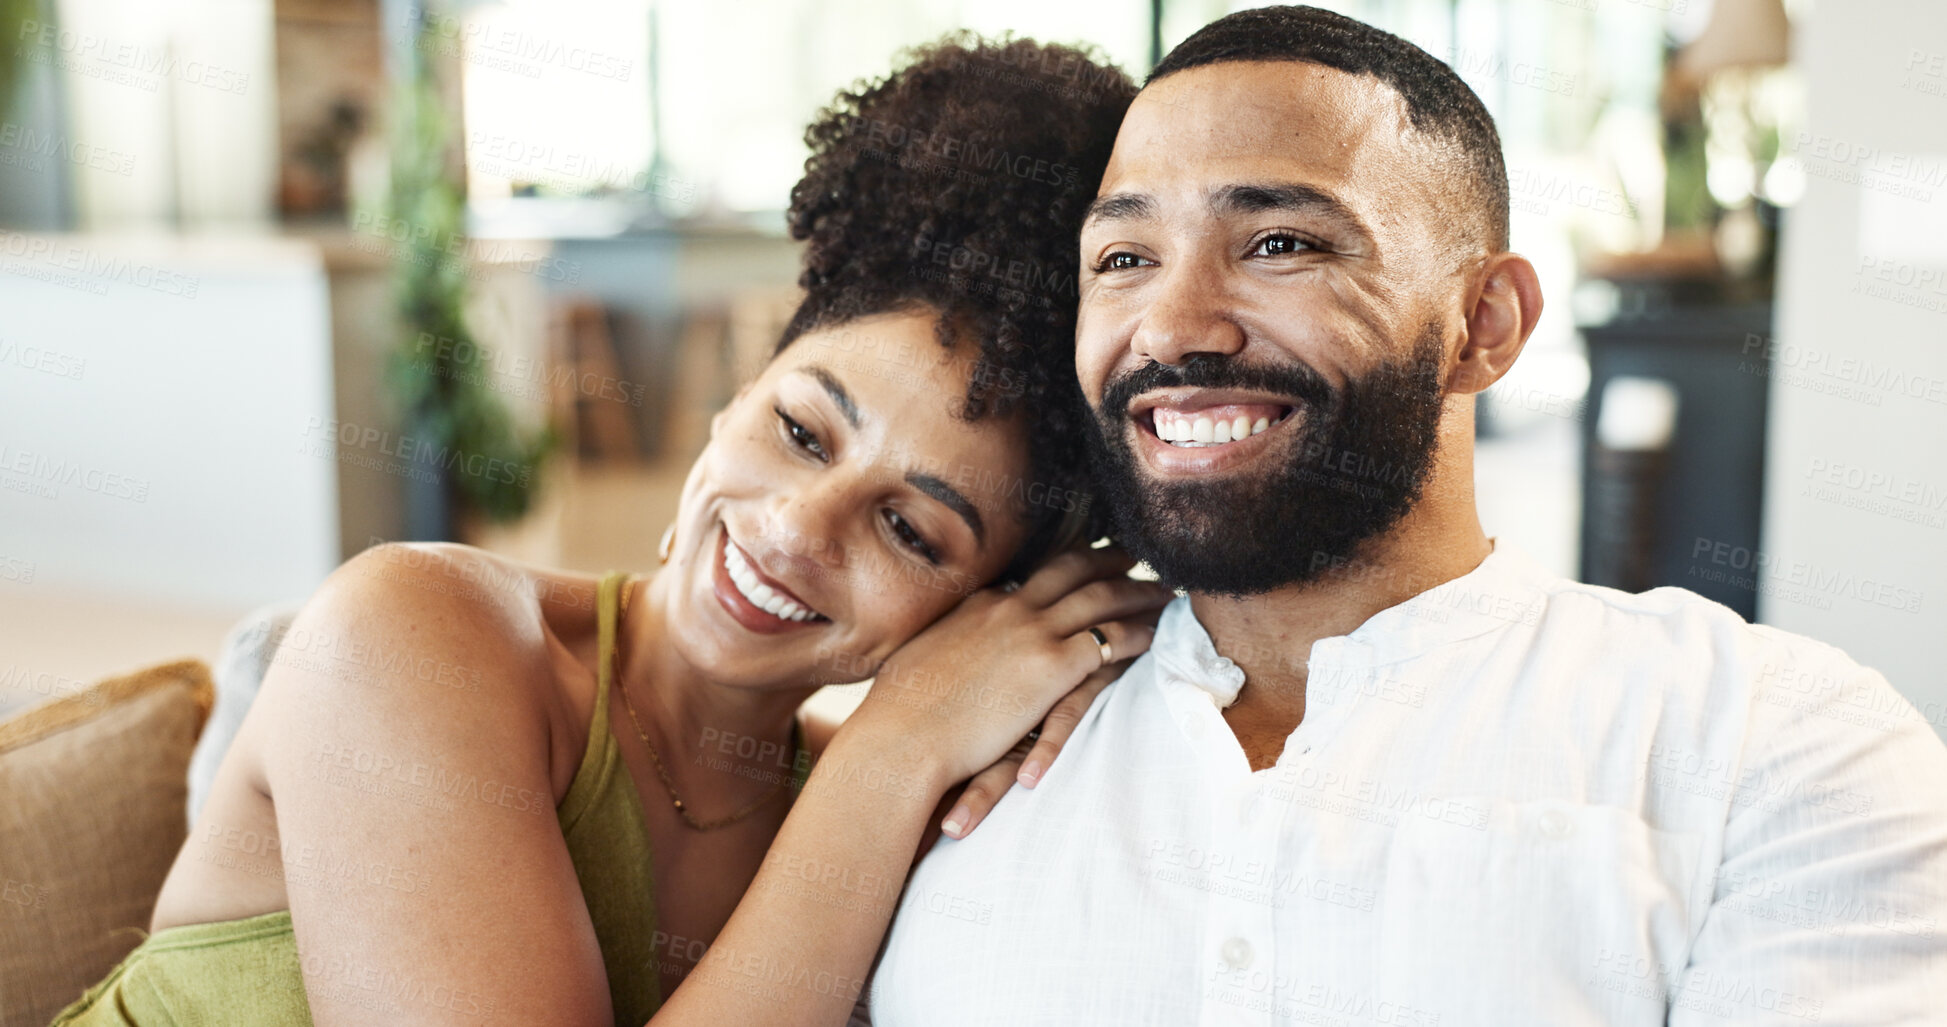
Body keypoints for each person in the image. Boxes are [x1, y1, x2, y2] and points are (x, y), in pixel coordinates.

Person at [861, 7, 1947, 1025]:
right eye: (1124, 260)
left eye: (1280, 243)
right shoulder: (949, 734)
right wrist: (893, 742)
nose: (1173, 326)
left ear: (1484, 324)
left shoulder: (1776, 743)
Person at [53, 35, 1164, 1027]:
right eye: (801, 428)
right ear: (735, 396)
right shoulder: (413, 634)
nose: (794, 524)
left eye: (912, 531)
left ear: (981, 609)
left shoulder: (868, 816)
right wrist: (893, 749)